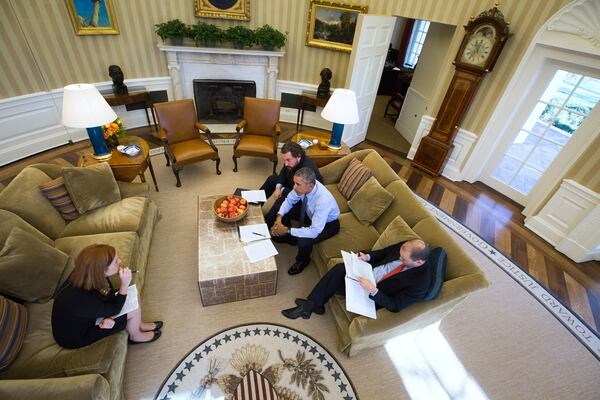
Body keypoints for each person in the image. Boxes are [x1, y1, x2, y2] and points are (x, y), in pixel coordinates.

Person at [281, 239, 431, 319]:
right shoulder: (406, 247)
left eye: (403, 259)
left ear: (418, 262)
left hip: (373, 294)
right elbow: (384, 252)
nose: (399, 257)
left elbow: (395, 305)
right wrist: (368, 256)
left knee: (337, 276)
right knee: (339, 268)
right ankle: (314, 305)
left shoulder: (420, 283)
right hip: (366, 273)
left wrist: (374, 290)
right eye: (400, 253)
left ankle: (310, 306)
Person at [52, 244, 161, 349]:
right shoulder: (83, 299)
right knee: (133, 308)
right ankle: (135, 336)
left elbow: (108, 296)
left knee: (133, 293)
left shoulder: (90, 273)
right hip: (76, 335)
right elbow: (115, 309)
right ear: (102, 269)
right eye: (115, 262)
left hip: (87, 314)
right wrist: (124, 284)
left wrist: (123, 289)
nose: (120, 261)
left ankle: (139, 325)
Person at [270, 167, 340, 275]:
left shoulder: (323, 201)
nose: (294, 187)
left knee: (304, 240)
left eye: (297, 184)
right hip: (310, 214)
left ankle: (303, 261)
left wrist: (286, 230)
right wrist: (279, 218)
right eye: (295, 183)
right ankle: (291, 238)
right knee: (281, 203)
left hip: (328, 224)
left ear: (310, 185)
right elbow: (289, 200)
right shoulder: (304, 186)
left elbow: (314, 231)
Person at [260, 142, 323, 227]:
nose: (286, 163)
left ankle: (267, 225)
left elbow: (301, 196)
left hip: (304, 202)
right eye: (284, 160)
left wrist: (282, 190)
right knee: (272, 179)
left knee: (281, 201)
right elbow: (283, 172)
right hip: (293, 186)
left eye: (288, 160)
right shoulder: (291, 161)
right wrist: (278, 187)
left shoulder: (307, 170)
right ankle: (254, 205)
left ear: (298, 156)